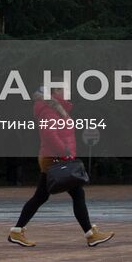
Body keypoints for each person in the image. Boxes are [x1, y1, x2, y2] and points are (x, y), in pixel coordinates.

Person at [8, 87, 115, 248]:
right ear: (54, 92)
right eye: (63, 89)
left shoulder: (57, 109)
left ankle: (17, 231)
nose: (67, 92)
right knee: (76, 194)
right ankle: (90, 235)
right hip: (54, 157)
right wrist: (64, 152)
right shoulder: (48, 110)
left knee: (42, 196)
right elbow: (49, 134)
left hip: (56, 156)